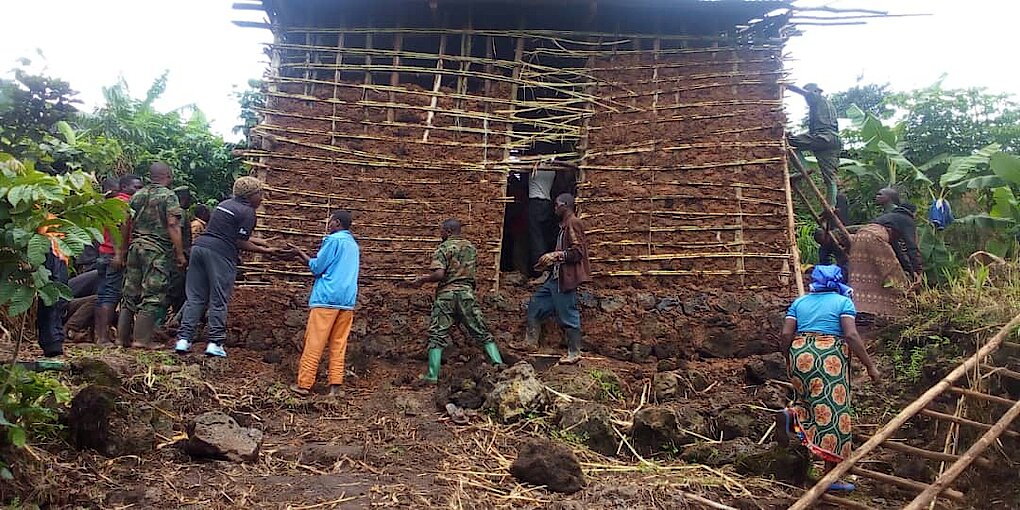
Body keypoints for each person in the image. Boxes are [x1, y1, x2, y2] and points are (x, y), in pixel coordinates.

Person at [777, 265, 880, 492]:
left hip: (800, 352)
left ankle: (791, 416)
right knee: (833, 414)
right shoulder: (843, 302)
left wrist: (789, 357)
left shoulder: (800, 302)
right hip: (828, 357)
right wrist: (870, 366)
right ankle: (830, 477)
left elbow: (786, 333)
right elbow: (851, 334)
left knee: (808, 402)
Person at [174, 176, 282, 357]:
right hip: (219, 254)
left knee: (195, 298)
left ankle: (183, 340)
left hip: (199, 249)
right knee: (218, 299)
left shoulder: (224, 205)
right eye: (260, 194)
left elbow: (228, 233)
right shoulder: (248, 212)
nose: (262, 198)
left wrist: (262, 242)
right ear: (251, 195)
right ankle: (215, 343)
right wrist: (267, 251)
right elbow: (239, 242)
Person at [410, 218, 504, 383]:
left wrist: (422, 280)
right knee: (481, 330)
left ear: (448, 231)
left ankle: (432, 374)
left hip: (446, 296)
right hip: (466, 295)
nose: (440, 233)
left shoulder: (444, 248)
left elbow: (439, 274)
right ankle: (498, 364)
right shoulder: (471, 248)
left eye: (441, 230)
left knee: (437, 334)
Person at [288, 210, 360, 397]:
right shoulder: (353, 245)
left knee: (315, 341)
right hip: (347, 301)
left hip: (327, 298)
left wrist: (299, 253)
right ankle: (335, 386)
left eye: (331, 221)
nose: (329, 225)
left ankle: (304, 384)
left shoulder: (333, 240)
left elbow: (317, 267)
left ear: (337, 223)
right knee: (338, 343)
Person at [115, 163, 186, 349]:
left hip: (135, 248)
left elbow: (125, 224)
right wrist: (180, 253)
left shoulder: (137, 195)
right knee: (153, 294)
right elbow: (173, 224)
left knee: (130, 292)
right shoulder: (169, 196)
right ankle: (141, 340)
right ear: (168, 176)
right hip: (156, 251)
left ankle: (121, 338)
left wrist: (122, 252)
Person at [526, 193, 591, 364]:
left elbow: (578, 252)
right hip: (555, 278)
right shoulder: (564, 226)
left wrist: (555, 255)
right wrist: (547, 262)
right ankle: (530, 343)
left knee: (568, 313)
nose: (554, 208)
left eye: (556, 205)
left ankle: (574, 352)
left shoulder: (573, 223)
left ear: (565, 205)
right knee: (536, 304)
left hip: (565, 279)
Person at [848, 188, 921, 317]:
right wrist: (917, 271)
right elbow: (911, 247)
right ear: (913, 213)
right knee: (893, 274)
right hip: (874, 238)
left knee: (865, 273)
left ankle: (861, 309)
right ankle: (898, 311)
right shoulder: (907, 220)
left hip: (860, 236)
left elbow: (896, 249)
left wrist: (909, 268)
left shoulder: (890, 218)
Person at [94, 174, 142, 346]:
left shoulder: (109, 204)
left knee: (102, 295)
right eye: (136, 187)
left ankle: (99, 335)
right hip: (113, 255)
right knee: (110, 295)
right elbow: (120, 228)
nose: (139, 191)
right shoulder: (124, 205)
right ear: (124, 187)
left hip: (103, 253)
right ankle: (103, 338)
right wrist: (119, 254)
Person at [788, 83, 842, 205]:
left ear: (817, 91)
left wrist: (788, 86)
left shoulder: (818, 99)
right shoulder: (828, 104)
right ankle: (831, 205)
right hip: (834, 140)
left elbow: (808, 93)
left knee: (790, 142)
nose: (807, 98)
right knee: (830, 178)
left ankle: (804, 168)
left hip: (823, 137)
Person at [164, 186, 195, 324]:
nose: (190, 201)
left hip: (175, 256)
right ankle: (163, 322)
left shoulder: (175, 212)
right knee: (175, 289)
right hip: (177, 258)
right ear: (183, 198)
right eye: (189, 198)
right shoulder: (180, 213)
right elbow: (177, 233)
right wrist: (180, 255)